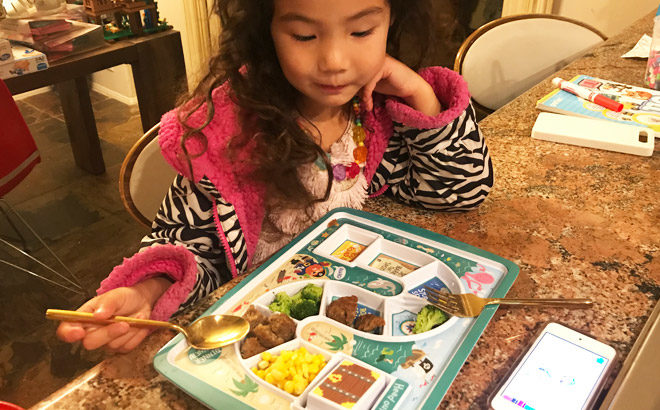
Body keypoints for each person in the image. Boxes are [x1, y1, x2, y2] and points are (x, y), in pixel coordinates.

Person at [57, 0, 493, 353]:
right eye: (304, 35)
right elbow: (188, 244)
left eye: (361, 31)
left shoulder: (377, 112)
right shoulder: (225, 134)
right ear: (266, 31)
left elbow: (462, 192)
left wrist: (421, 96)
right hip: (264, 334)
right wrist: (149, 291)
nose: (335, 62)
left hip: (357, 314)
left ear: (392, 21)